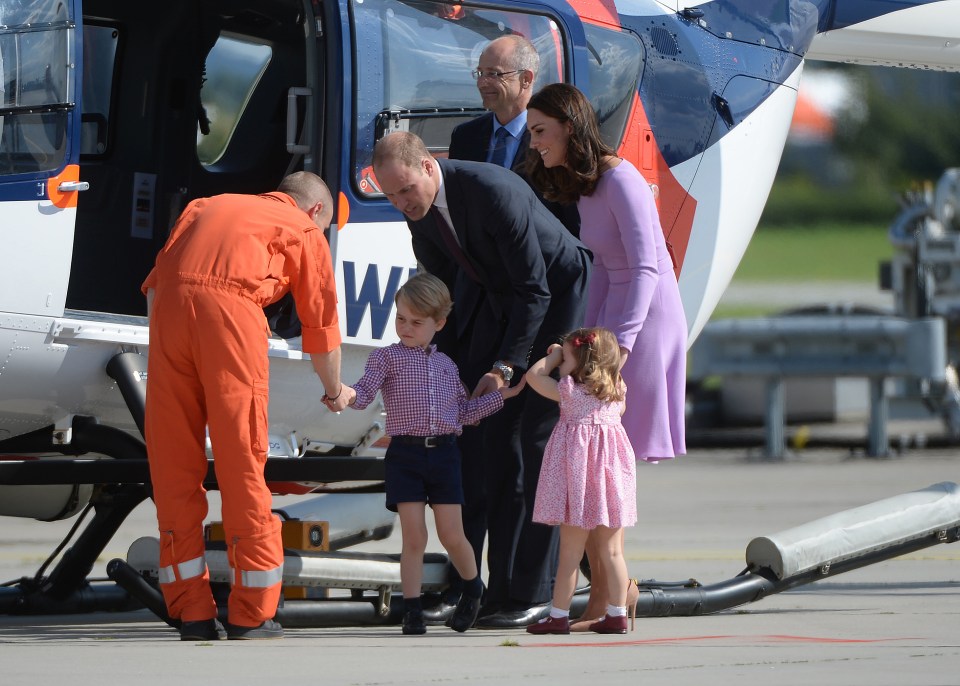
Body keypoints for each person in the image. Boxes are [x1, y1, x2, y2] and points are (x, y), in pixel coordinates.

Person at [372, 131, 591, 629]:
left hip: (555, 298)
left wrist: (506, 368)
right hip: (501, 301)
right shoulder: (422, 218)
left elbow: (534, 290)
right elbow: (446, 300)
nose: (401, 203)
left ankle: (533, 592)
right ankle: (487, 587)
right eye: (389, 196)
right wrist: (441, 372)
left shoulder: (492, 190)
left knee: (533, 440)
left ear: (429, 167)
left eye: (405, 189)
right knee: (484, 441)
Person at [141, 172, 353, 641]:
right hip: (231, 321)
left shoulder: (202, 206)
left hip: (169, 325)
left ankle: (190, 612)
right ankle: (251, 614)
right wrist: (335, 390)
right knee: (242, 464)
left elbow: (158, 289)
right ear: (316, 211)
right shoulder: (301, 229)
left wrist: (174, 348)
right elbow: (321, 330)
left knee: (174, 471)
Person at [526, 83, 687, 630]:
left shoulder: (620, 180)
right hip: (611, 319)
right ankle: (612, 595)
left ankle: (610, 595)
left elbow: (645, 268)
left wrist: (617, 351)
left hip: (642, 320)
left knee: (601, 462)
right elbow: (603, 268)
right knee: (591, 465)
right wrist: (580, 341)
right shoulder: (588, 185)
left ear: (570, 128)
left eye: (541, 131)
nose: (534, 143)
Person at [344, 272, 525, 634]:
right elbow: (363, 394)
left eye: (416, 322)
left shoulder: (447, 367)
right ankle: (411, 610)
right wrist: (339, 392)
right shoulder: (385, 360)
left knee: (452, 535)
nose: (406, 328)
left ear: (439, 323)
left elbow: (464, 415)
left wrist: (500, 397)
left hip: (444, 456)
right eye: (400, 319)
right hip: (405, 457)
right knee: (414, 537)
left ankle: (472, 589)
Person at [524, 328, 637, 635]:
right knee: (612, 551)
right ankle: (617, 614)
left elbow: (534, 376)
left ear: (581, 361)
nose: (562, 363)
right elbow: (621, 411)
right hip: (610, 480)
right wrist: (567, 352)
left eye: (566, 357)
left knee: (571, 554)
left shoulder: (570, 393)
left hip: (579, 481)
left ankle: (558, 616)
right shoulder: (617, 389)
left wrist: (553, 356)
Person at [448, 34, 579, 236]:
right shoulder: (465, 137)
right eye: (480, 73)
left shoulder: (557, 137)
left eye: (494, 74)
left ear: (525, 79)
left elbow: (572, 222)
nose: (482, 83)